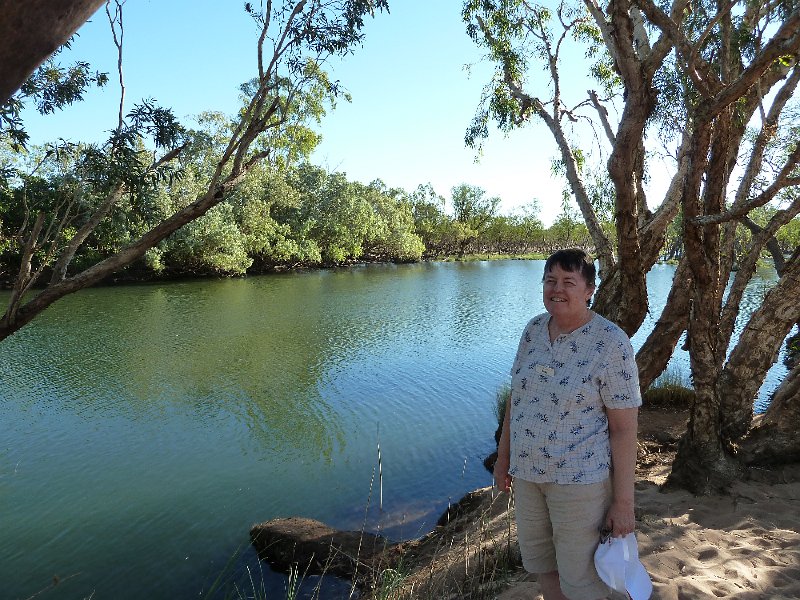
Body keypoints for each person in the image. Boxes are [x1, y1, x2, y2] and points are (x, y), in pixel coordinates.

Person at [494, 248, 641, 600]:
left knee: (582, 581)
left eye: (568, 282)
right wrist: (503, 460)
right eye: (550, 280)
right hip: (528, 477)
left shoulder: (610, 343)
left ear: (589, 289)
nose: (556, 289)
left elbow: (623, 429)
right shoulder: (532, 331)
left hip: (579, 484)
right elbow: (517, 400)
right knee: (543, 565)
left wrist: (624, 502)